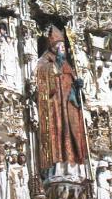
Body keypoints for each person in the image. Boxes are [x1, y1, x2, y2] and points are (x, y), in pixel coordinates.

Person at [36, 25, 88, 174]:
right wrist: (56, 67)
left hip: (69, 106)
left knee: (73, 132)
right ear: (53, 46)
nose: (63, 49)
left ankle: (75, 166)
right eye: (60, 46)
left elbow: (73, 91)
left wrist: (77, 89)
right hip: (55, 108)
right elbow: (42, 83)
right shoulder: (45, 61)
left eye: (64, 47)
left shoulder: (68, 66)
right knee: (58, 133)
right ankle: (59, 167)